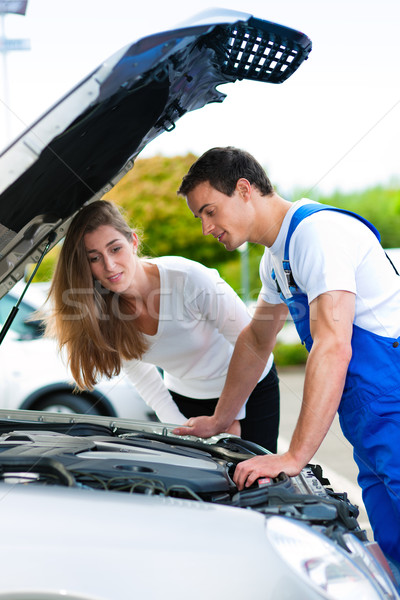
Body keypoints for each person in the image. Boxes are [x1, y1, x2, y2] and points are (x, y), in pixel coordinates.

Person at [174, 146, 400, 569]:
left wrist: (294, 456)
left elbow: (333, 344)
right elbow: (257, 340)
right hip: (369, 418)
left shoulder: (318, 235)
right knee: (393, 542)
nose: (206, 228)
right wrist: (222, 418)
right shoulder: (275, 260)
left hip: (393, 398)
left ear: (244, 190)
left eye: (209, 211)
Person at [44, 199, 280, 451]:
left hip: (251, 390)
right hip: (187, 399)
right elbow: (142, 376)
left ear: (133, 242)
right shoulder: (103, 312)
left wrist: (230, 417)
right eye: (94, 258)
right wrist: (178, 428)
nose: (109, 266)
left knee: (254, 481)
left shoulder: (189, 279)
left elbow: (256, 344)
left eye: (115, 249)